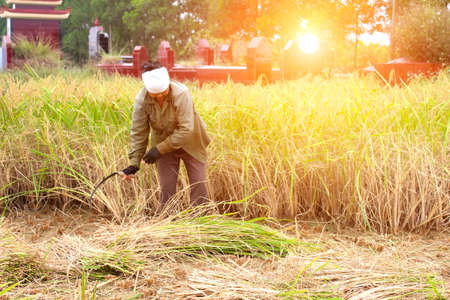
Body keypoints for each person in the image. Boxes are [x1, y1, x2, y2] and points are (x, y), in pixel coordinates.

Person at [119, 61, 211, 211]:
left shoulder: (181, 93)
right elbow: (138, 132)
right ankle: (169, 222)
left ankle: (200, 220)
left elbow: (186, 129)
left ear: (168, 84)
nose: (160, 97)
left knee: (198, 183)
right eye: (155, 95)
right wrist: (134, 163)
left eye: (163, 92)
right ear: (148, 91)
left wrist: (159, 150)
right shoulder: (141, 101)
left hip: (191, 141)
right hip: (163, 142)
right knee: (166, 186)